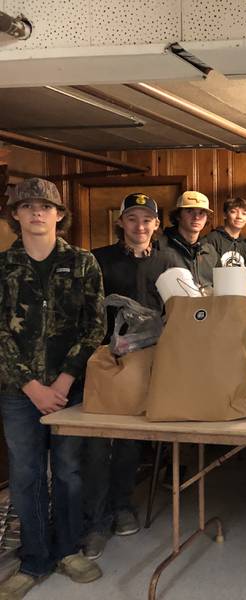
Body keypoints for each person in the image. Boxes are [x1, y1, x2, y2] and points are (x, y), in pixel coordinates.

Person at [0, 178, 105, 597]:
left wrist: (63, 380)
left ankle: (66, 550)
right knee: (25, 476)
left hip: (70, 389)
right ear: (16, 215)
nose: (36, 212)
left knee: (68, 472)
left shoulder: (83, 263)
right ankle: (34, 558)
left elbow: (95, 325)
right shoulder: (3, 267)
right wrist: (31, 386)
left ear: (60, 214)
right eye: (27, 207)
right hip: (17, 392)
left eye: (45, 206)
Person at [82, 193, 163, 561]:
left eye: (147, 219)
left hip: (147, 363)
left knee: (130, 441)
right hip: (105, 361)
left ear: (156, 225)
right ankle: (97, 522)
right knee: (98, 443)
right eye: (132, 218)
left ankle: (122, 506)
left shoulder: (169, 261)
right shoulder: (97, 260)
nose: (140, 226)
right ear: (121, 222)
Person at [154, 190, 219, 292]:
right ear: (178, 215)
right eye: (189, 211)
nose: (196, 217)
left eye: (201, 212)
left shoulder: (210, 251)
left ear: (207, 218)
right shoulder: (160, 247)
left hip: (206, 307)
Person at [205, 196, 246, 281]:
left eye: (244, 214)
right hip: (216, 293)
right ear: (224, 215)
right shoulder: (212, 239)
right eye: (233, 212)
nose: (239, 217)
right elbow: (205, 275)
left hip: (239, 293)